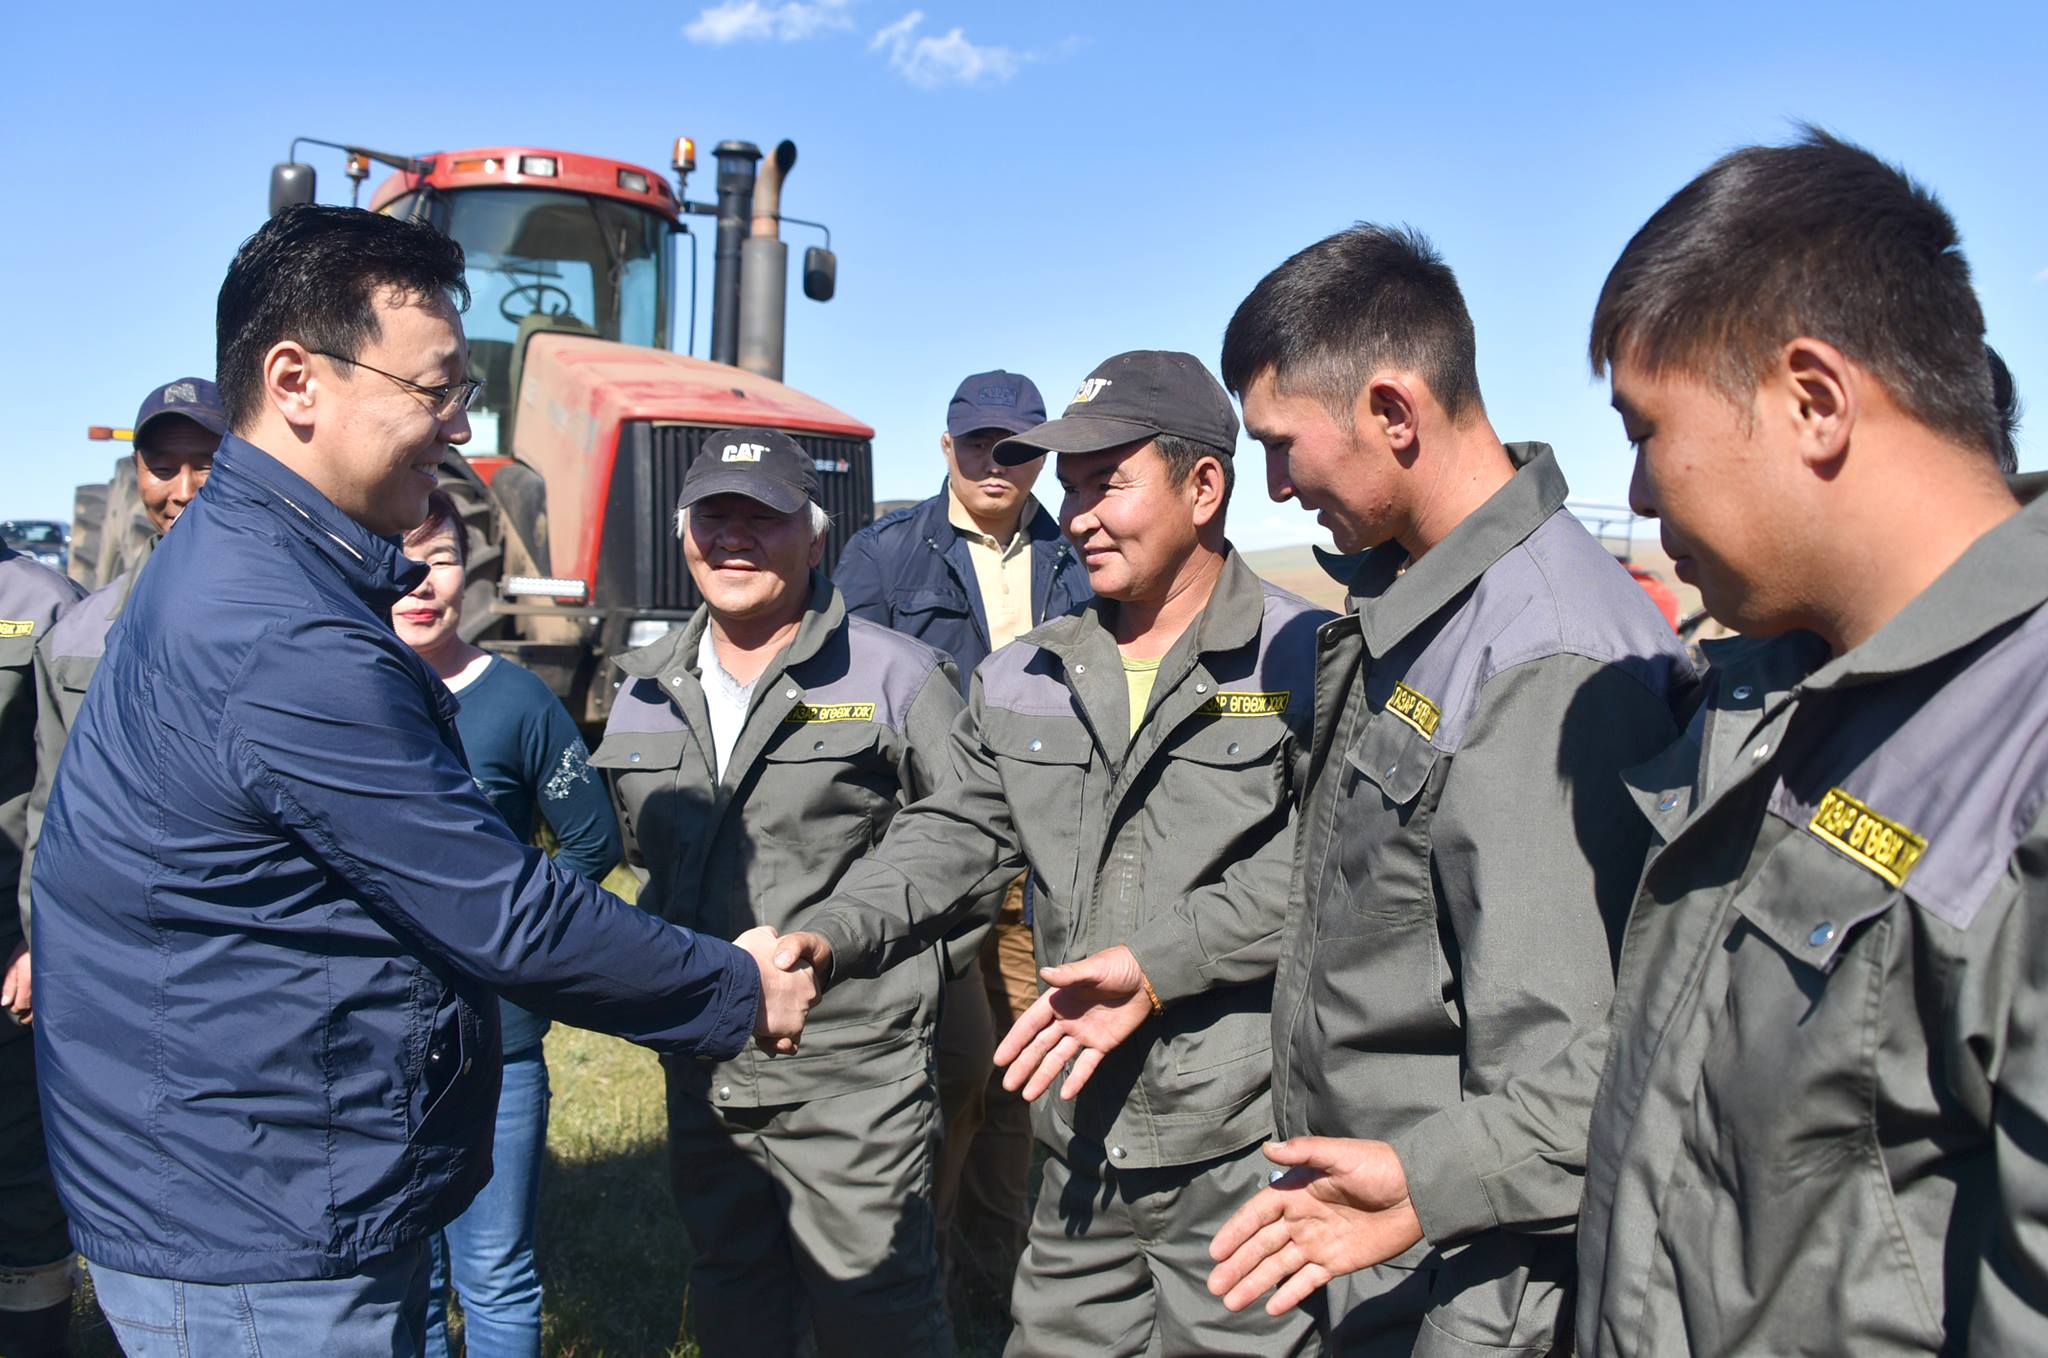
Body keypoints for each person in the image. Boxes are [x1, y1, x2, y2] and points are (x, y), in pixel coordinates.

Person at [28, 205, 816, 1355]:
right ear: (297, 379)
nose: (457, 428)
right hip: (264, 1223)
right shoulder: (281, 631)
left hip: (245, 1163)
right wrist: (734, 988)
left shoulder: (250, 567)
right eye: (436, 390)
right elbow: (500, 903)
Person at [1560, 131, 2043, 1355]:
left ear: (1811, 400)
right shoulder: (1797, 698)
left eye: (1646, 426)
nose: (1643, 489)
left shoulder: (2020, 753)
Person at [1203, 225, 1694, 1354]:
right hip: (1384, 1253)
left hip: (1466, 1281)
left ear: (1391, 410)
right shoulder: (1419, 606)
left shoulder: (1542, 654)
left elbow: (1557, 1082)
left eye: (1282, 445)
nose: (1274, 487)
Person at [778, 350, 1327, 1358]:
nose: (1074, 514)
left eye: (1104, 482)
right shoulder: (1025, 674)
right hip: (1079, 1146)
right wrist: (827, 930)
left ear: (1204, 486)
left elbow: (1330, 872)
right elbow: (955, 832)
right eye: (1066, 486)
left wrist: (1160, 966)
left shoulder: (1308, 662)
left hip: (1242, 1147)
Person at [590, 426, 983, 1358]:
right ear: (685, 536)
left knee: (875, 1315)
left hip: (852, 1077)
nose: (733, 539)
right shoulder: (642, 690)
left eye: (761, 518)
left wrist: (896, 978)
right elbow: (637, 861)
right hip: (704, 1065)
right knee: (734, 1299)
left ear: (814, 538)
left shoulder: (898, 676)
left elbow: (975, 839)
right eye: (713, 518)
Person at [833, 368, 1091, 1317]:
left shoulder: (1078, 558)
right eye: (981, 444)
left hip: (1042, 861)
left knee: (1029, 1075)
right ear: (947, 449)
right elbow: (852, 704)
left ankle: (997, 1281)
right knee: (948, 1072)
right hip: (935, 848)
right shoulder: (885, 559)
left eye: (1020, 449)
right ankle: (918, 1279)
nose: (999, 463)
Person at [392, 489, 623, 1358]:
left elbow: (592, 848)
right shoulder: (339, 695)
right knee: (406, 1272)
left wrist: (510, 940)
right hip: (373, 1039)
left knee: (492, 1268)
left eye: (441, 559)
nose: (420, 582)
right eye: (400, 555)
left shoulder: (518, 702)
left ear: (472, 571)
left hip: (497, 1038)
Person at [20, 376, 226, 937]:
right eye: (163, 468)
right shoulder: (75, 638)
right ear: (138, 470)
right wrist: (38, 939)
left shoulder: (305, 616)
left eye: (206, 463)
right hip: (113, 939)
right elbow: (52, 808)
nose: (183, 490)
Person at [0, 545, 83, 1358]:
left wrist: (39, 937)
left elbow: (64, 790)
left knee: (20, 1176)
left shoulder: (45, 603)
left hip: (7, 949)